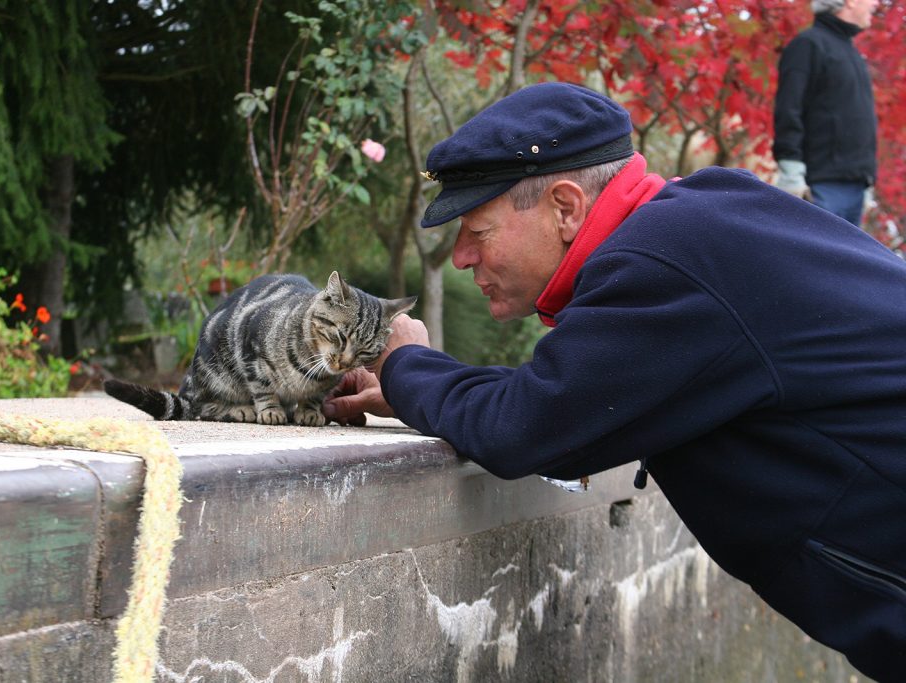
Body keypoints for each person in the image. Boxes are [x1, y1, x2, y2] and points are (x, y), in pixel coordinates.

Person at [323, 82, 906, 682]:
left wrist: (404, 361)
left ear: (566, 207)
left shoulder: (667, 261)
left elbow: (524, 427)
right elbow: (581, 395)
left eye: (479, 230)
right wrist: (421, 392)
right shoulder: (699, 220)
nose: (463, 257)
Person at [773, 0, 878, 226]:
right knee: (809, 261)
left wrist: (865, 184)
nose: (875, 4)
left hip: (854, 190)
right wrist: (791, 175)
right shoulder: (808, 45)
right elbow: (788, 110)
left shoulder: (851, 53)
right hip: (821, 188)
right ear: (850, 2)